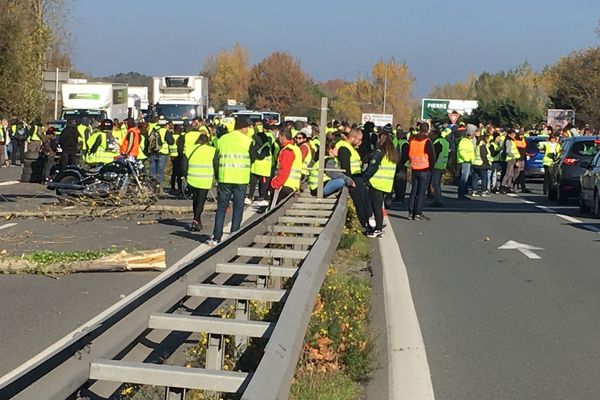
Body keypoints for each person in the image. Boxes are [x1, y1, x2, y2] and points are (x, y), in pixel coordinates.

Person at [210, 118, 256, 246]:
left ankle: (216, 237)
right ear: (242, 128)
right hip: (241, 179)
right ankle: (234, 235)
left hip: (225, 178)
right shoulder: (248, 141)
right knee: (238, 207)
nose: (248, 130)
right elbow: (253, 158)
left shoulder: (223, 139)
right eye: (246, 128)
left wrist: (217, 175)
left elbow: (216, 158)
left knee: (222, 207)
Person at [363, 130, 399, 237]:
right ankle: (378, 226)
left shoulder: (380, 152)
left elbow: (373, 167)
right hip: (386, 184)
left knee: (376, 207)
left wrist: (364, 177)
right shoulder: (392, 152)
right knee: (379, 207)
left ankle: (377, 228)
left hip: (376, 183)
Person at [336, 128, 370, 230]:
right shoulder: (344, 148)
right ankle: (365, 225)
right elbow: (346, 167)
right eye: (359, 140)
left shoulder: (350, 147)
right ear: (353, 137)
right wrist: (349, 181)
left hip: (357, 177)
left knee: (365, 201)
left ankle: (369, 223)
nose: (360, 142)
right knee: (359, 203)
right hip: (353, 179)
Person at [185, 133, 216, 232]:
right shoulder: (212, 150)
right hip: (205, 179)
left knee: (195, 200)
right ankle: (196, 219)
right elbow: (215, 164)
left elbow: (183, 164)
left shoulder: (190, 149)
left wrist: (185, 176)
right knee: (201, 201)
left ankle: (197, 219)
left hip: (192, 178)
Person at [407, 123, 435, 220]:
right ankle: (418, 213)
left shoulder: (413, 140)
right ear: (427, 130)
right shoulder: (427, 141)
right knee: (421, 192)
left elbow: (409, 153)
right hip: (424, 168)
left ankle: (411, 212)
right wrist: (431, 169)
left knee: (413, 191)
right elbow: (432, 156)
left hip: (414, 167)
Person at [270, 127, 302, 206]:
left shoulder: (287, 151)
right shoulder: (296, 149)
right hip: (292, 185)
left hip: (285, 184)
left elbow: (284, 170)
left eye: (279, 136)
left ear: (283, 136)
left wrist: (276, 183)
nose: (278, 138)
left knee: (272, 208)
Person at [248, 120, 277, 206]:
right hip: (265, 165)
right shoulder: (270, 137)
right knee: (263, 183)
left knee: (254, 182)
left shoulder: (255, 137)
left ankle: (252, 197)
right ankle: (264, 197)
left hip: (257, 165)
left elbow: (252, 150)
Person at [430, 129, 449, 207]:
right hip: (443, 164)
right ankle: (437, 199)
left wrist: (431, 164)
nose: (430, 135)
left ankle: (438, 200)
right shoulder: (445, 142)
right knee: (437, 183)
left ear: (436, 134)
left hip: (437, 165)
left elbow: (435, 155)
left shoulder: (438, 142)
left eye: (431, 134)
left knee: (435, 183)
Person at [500, 129, 520, 193]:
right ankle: (502, 186)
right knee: (508, 174)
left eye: (514, 134)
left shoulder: (512, 140)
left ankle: (508, 187)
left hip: (513, 159)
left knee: (511, 174)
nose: (514, 135)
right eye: (512, 134)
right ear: (509, 134)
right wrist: (513, 156)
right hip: (510, 159)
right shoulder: (508, 141)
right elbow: (508, 151)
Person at [393, 129, 410, 203]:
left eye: (398, 134)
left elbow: (405, 156)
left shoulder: (405, 143)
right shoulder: (399, 141)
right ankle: (398, 196)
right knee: (397, 182)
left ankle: (400, 197)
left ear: (402, 134)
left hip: (402, 165)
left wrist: (402, 164)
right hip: (398, 164)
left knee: (401, 182)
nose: (397, 135)